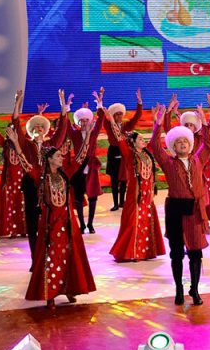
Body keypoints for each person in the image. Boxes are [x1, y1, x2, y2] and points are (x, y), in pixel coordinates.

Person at [11, 125, 96, 308]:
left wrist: (88, 136)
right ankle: (50, 292)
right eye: (58, 156)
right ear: (49, 159)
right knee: (51, 256)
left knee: (70, 254)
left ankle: (69, 289)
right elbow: (25, 163)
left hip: (68, 222)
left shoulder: (66, 173)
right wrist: (16, 143)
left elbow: (80, 157)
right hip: (50, 223)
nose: (61, 158)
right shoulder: (40, 176)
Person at [149, 104, 210, 306]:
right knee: (176, 253)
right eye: (178, 142)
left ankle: (195, 289)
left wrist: (203, 122)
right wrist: (158, 123)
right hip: (176, 211)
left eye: (185, 141)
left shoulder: (198, 159)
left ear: (190, 144)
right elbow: (155, 146)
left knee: (196, 252)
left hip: (194, 212)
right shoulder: (168, 163)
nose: (183, 144)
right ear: (173, 147)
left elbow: (208, 144)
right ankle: (179, 289)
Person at [103, 94, 164, 263]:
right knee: (132, 222)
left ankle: (146, 251)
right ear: (133, 142)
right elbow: (119, 137)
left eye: (143, 139)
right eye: (140, 139)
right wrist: (111, 120)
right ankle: (129, 251)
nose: (143, 141)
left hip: (147, 195)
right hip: (135, 195)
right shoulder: (129, 155)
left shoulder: (147, 153)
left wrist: (157, 122)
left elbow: (155, 139)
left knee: (146, 221)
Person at [14, 90, 70, 258]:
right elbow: (16, 124)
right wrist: (17, 103)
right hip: (31, 185)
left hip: (48, 185)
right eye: (35, 127)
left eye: (41, 127)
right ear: (31, 131)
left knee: (48, 220)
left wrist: (62, 104)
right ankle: (35, 258)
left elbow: (62, 129)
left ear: (45, 130)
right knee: (32, 221)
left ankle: (50, 253)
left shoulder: (50, 144)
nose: (38, 129)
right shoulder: (26, 144)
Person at [164, 93, 210, 221]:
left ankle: (202, 221)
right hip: (184, 173)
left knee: (202, 197)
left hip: (200, 172)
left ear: (195, 126)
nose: (189, 127)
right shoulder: (180, 139)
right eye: (186, 125)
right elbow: (168, 129)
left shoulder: (201, 137)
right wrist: (169, 110)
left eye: (191, 125)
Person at [0, 94, 26, 238]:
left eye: (13, 130)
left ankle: (23, 229)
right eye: (8, 130)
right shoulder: (6, 144)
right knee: (10, 205)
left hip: (22, 180)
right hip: (9, 181)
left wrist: (17, 103)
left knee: (22, 204)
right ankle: (12, 230)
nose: (10, 132)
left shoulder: (23, 144)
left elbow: (16, 121)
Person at [67, 97, 105, 234]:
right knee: (78, 197)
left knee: (93, 197)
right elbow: (66, 124)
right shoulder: (75, 134)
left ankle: (90, 224)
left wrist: (99, 104)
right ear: (78, 122)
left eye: (86, 120)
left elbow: (100, 121)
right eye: (81, 121)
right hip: (78, 170)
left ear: (89, 121)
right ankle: (82, 225)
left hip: (91, 170)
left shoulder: (93, 134)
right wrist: (66, 108)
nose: (84, 123)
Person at [104, 91, 143, 213]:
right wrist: (100, 104)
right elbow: (103, 120)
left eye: (121, 114)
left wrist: (139, 102)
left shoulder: (126, 126)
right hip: (113, 153)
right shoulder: (109, 126)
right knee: (114, 180)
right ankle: (115, 204)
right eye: (116, 114)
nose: (119, 116)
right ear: (113, 116)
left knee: (124, 180)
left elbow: (136, 117)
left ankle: (122, 202)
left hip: (124, 153)